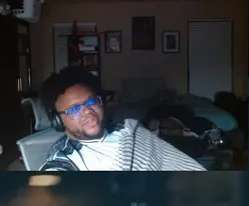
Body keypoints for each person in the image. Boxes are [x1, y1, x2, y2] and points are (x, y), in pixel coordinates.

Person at [36, 66, 206, 172]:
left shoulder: (127, 129)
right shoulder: (64, 160)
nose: (87, 111)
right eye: (74, 109)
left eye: (92, 101)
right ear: (57, 120)